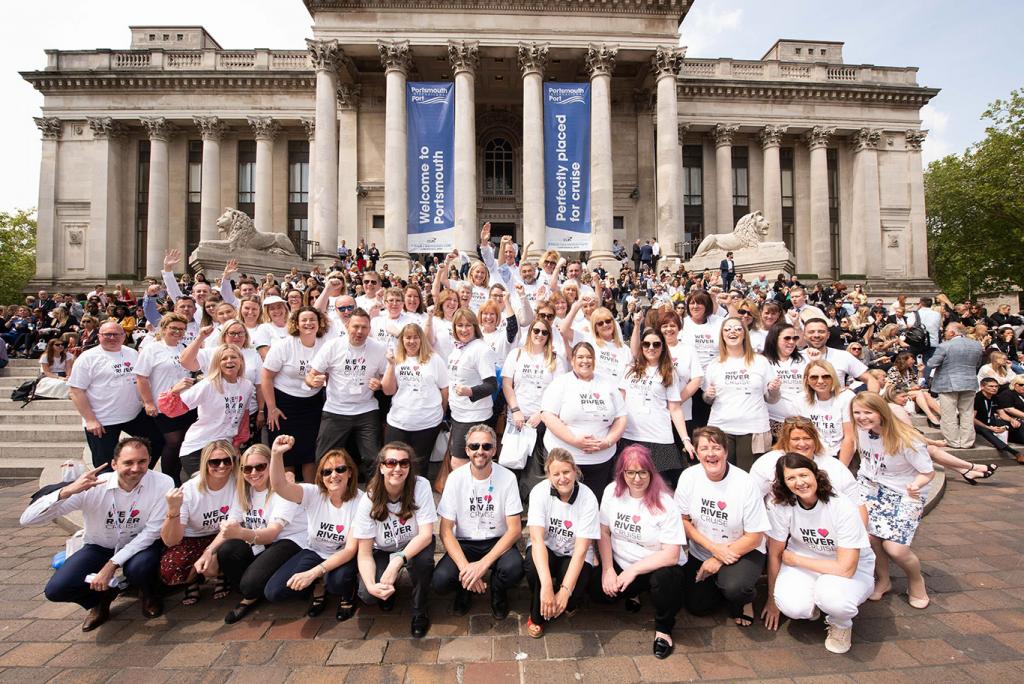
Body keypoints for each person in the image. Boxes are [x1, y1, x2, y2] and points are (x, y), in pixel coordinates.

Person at [20, 438, 171, 630]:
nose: (136, 468)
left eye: (142, 461)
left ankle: (149, 594)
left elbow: (151, 532)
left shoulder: (162, 482)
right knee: (57, 589)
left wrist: (111, 566)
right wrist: (66, 491)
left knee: (141, 568)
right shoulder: (93, 486)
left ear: (149, 460)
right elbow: (28, 520)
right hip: (99, 545)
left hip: (138, 545)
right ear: (114, 464)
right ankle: (100, 599)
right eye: (128, 462)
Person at [762, 453, 875, 654]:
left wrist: (796, 559)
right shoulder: (781, 505)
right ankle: (813, 606)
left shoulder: (842, 506)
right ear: (784, 483)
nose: (799, 483)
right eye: (791, 478)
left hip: (850, 568)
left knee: (832, 596)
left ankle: (841, 624)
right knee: (792, 606)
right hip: (807, 561)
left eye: (803, 475)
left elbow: (846, 568)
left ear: (815, 474)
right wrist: (772, 600)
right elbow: (775, 553)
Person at [595, 444, 685, 660]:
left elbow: (671, 554)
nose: (636, 478)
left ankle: (664, 629)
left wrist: (633, 571)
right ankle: (634, 592)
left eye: (642, 472)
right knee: (599, 594)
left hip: (656, 566)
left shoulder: (665, 502)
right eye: (630, 472)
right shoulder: (611, 492)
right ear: (622, 472)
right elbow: (604, 532)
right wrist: (608, 569)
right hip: (621, 562)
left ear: (651, 472)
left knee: (665, 580)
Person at [675, 427, 771, 627]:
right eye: (704, 448)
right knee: (697, 606)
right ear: (696, 452)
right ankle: (721, 585)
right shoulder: (688, 477)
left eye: (716, 448)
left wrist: (718, 557)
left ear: (726, 451)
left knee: (736, 588)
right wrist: (713, 549)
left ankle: (744, 599)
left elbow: (755, 537)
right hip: (704, 549)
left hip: (744, 550)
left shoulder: (745, 483)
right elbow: (682, 520)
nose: (710, 454)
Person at [264, 436, 363, 621]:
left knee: (337, 582)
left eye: (340, 469)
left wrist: (314, 572)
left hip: (343, 554)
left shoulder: (361, 501)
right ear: (321, 476)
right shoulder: (313, 493)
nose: (334, 475)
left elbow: (350, 550)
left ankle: (347, 592)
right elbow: (280, 486)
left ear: (350, 472)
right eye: (327, 472)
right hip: (314, 550)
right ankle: (318, 585)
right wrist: (276, 454)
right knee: (274, 591)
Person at [851, 393, 934, 609]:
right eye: (857, 412)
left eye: (868, 412)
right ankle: (883, 579)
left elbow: (927, 472)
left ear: (881, 412)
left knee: (896, 548)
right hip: (871, 489)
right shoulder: (862, 433)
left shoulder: (907, 438)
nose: (861, 417)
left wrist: (915, 485)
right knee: (871, 538)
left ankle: (916, 580)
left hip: (905, 492)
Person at [433, 424, 524, 619]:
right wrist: (467, 569)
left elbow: (515, 529)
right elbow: (446, 531)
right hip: (465, 542)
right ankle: (464, 587)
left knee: (514, 569)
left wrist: (482, 565)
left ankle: (498, 591)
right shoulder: (455, 478)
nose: (480, 451)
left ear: (494, 449)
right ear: (466, 450)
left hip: (496, 540)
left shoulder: (507, 478)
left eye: (486, 446)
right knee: (440, 581)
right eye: (474, 446)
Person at [214, 443, 307, 624]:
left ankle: (253, 591)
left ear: (271, 466)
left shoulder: (283, 490)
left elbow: (272, 533)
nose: (253, 472)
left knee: (251, 584)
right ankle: (254, 588)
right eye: (247, 468)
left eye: (260, 466)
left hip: (290, 540)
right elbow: (231, 524)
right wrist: (208, 553)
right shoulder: (244, 490)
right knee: (226, 551)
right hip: (262, 542)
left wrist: (240, 532)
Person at [354, 442, 437, 638]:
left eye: (404, 463)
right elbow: (364, 554)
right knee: (367, 595)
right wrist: (371, 585)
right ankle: (387, 592)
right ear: (381, 467)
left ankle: (419, 610)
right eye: (391, 463)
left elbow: (425, 534)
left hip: (415, 543)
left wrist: (397, 561)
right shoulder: (369, 499)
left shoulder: (421, 485)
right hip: (383, 549)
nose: (398, 468)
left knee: (423, 563)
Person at [523, 448, 600, 638]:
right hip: (547, 547)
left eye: (566, 472)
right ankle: (537, 614)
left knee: (575, 587)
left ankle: (565, 600)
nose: (562, 478)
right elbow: (537, 540)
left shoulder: (588, 497)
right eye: (555, 474)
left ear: (575, 471)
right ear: (548, 475)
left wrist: (565, 591)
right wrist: (547, 586)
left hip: (573, 552)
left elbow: (582, 550)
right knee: (535, 570)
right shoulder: (539, 492)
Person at [68, 321, 164, 467]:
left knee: (157, 441)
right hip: (103, 419)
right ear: (99, 336)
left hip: (133, 415)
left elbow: (141, 379)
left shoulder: (132, 353)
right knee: (104, 465)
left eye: (116, 334)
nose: (112, 338)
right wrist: (90, 419)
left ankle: (139, 475)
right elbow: (76, 391)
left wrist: (146, 401)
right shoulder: (87, 358)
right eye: (107, 334)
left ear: (124, 336)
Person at [541, 342, 628, 501]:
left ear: (594, 361)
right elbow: (547, 415)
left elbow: (621, 417)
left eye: (589, 357)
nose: (585, 361)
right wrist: (574, 440)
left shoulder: (607, 384)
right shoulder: (561, 383)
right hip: (566, 460)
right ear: (572, 360)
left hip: (600, 460)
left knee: (594, 502)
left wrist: (607, 442)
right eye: (580, 357)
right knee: (563, 503)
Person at [308, 308, 388, 481]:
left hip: (366, 409)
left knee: (373, 458)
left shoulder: (379, 348)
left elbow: (386, 377)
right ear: (347, 325)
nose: (360, 331)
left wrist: (380, 384)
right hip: (336, 409)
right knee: (324, 458)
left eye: (364, 327)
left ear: (369, 328)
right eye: (356, 326)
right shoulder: (332, 346)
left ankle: (375, 497)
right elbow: (311, 374)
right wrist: (312, 381)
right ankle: (322, 496)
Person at [159, 440, 237, 606]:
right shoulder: (189, 490)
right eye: (215, 461)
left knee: (221, 557)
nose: (222, 466)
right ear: (205, 462)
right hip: (193, 537)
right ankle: (192, 579)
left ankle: (220, 574)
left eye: (228, 460)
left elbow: (234, 523)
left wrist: (209, 552)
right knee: (172, 570)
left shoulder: (238, 483)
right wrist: (173, 511)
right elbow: (171, 540)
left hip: (224, 534)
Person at [261, 307, 330, 483]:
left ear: (319, 322)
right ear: (296, 324)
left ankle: (312, 496)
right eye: (304, 320)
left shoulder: (325, 345)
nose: (308, 323)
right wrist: (271, 408)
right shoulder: (284, 345)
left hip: (312, 403)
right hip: (284, 403)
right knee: (286, 452)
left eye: (312, 319)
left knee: (310, 452)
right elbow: (266, 377)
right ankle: (286, 498)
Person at [620, 327, 695, 487]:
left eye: (656, 344)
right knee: (632, 485)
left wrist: (685, 439)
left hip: (660, 438)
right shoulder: (629, 369)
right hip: (630, 436)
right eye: (646, 344)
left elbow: (675, 408)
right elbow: (621, 401)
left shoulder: (669, 372)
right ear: (641, 347)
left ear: (663, 346)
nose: (651, 348)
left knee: (663, 487)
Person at [704, 316, 781, 468]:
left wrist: (774, 391)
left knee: (750, 475)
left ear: (745, 334)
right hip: (721, 427)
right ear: (722, 335)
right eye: (727, 329)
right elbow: (707, 399)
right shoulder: (714, 364)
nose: (732, 332)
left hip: (753, 428)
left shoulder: (761, 362)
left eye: (738, 329)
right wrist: (708, 395)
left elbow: (772, 399)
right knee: (722, 474)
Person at [502, 315, 566, 492]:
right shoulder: (516, 354)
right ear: (530, 332)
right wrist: (515, 410)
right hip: (517, 418)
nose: (540, 334)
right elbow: (507, 385)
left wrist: (542, 413)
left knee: (535, 471)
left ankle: (530, 509)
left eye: (544, 332)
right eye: (536, 330)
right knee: (512, 464)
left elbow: (558, 392)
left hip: (542, 421)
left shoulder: (555, 359)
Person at [134, 313, 193, 484]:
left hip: (185, 403)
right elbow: (141, 377)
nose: (177, 332)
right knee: (173, 442)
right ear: (164, 329)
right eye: (173, 328)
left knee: (182, 441)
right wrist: (148, 402)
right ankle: (169, 479)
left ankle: (179, 475)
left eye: (181, 329)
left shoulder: (184, 347)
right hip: (163, 404)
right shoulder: (152, 349)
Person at [381, 323, 449, 468]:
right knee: (393, 464)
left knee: (418, 467)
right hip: (398, 422)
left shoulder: (434, 359)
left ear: (421, 339)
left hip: (428, 423)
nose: (411, 341)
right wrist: (390, 365)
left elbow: (444, 389)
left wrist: (442, 412)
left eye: (415, 337)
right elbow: (388, 391)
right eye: (408, 338)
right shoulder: (396, 359)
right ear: (402, 340)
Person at [440, 308, 498, 467]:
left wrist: (470, 391)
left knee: (460, 462)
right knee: (466, 463)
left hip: (474, 416)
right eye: (459, 325)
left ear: (475, 327)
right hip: (458, 414)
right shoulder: (458, 347)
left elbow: (492, 385)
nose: (463, 329)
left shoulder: (481, 349)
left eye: (468, 325)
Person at [925, 322, 984, 449]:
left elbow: (932, 363)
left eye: (946, 330)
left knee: (949, 414)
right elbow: (978, 363)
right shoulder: (976, 345)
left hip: (948, 383)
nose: (944, 332)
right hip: (969, 381)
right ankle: (967, 442)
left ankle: (954, 442)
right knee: (967, 413)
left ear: (952, 332)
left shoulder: (945, 346)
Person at [790, 360, 856, 464]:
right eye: (814, 377)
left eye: (826, 376)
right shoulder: (799, 400)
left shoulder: (846, 397)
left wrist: (841, 469)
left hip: (841, 455)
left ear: (833, 378)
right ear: (807, 380)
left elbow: (850, 437)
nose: (820, 381)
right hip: (812, 455)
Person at [800, 319, 879, 392]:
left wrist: (870, 402)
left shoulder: (843, 356)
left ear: (828, 335)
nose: (816, 335)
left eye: (821, 332)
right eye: (811, 332)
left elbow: (870, 380)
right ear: (804, 335)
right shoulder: (795, 358)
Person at [974, 377, 1023, 458]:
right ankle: (1015, 453)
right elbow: (972, 418)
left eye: (996, 386)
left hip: (991, 422)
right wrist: (989, 428)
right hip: (979, 424)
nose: (994, 388)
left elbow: (1002, 414)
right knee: (984, 430)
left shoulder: (995, 398)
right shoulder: (977, 398)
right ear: (982, 387)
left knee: (1018, 423)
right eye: (991, 386)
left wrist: (1012, 420)